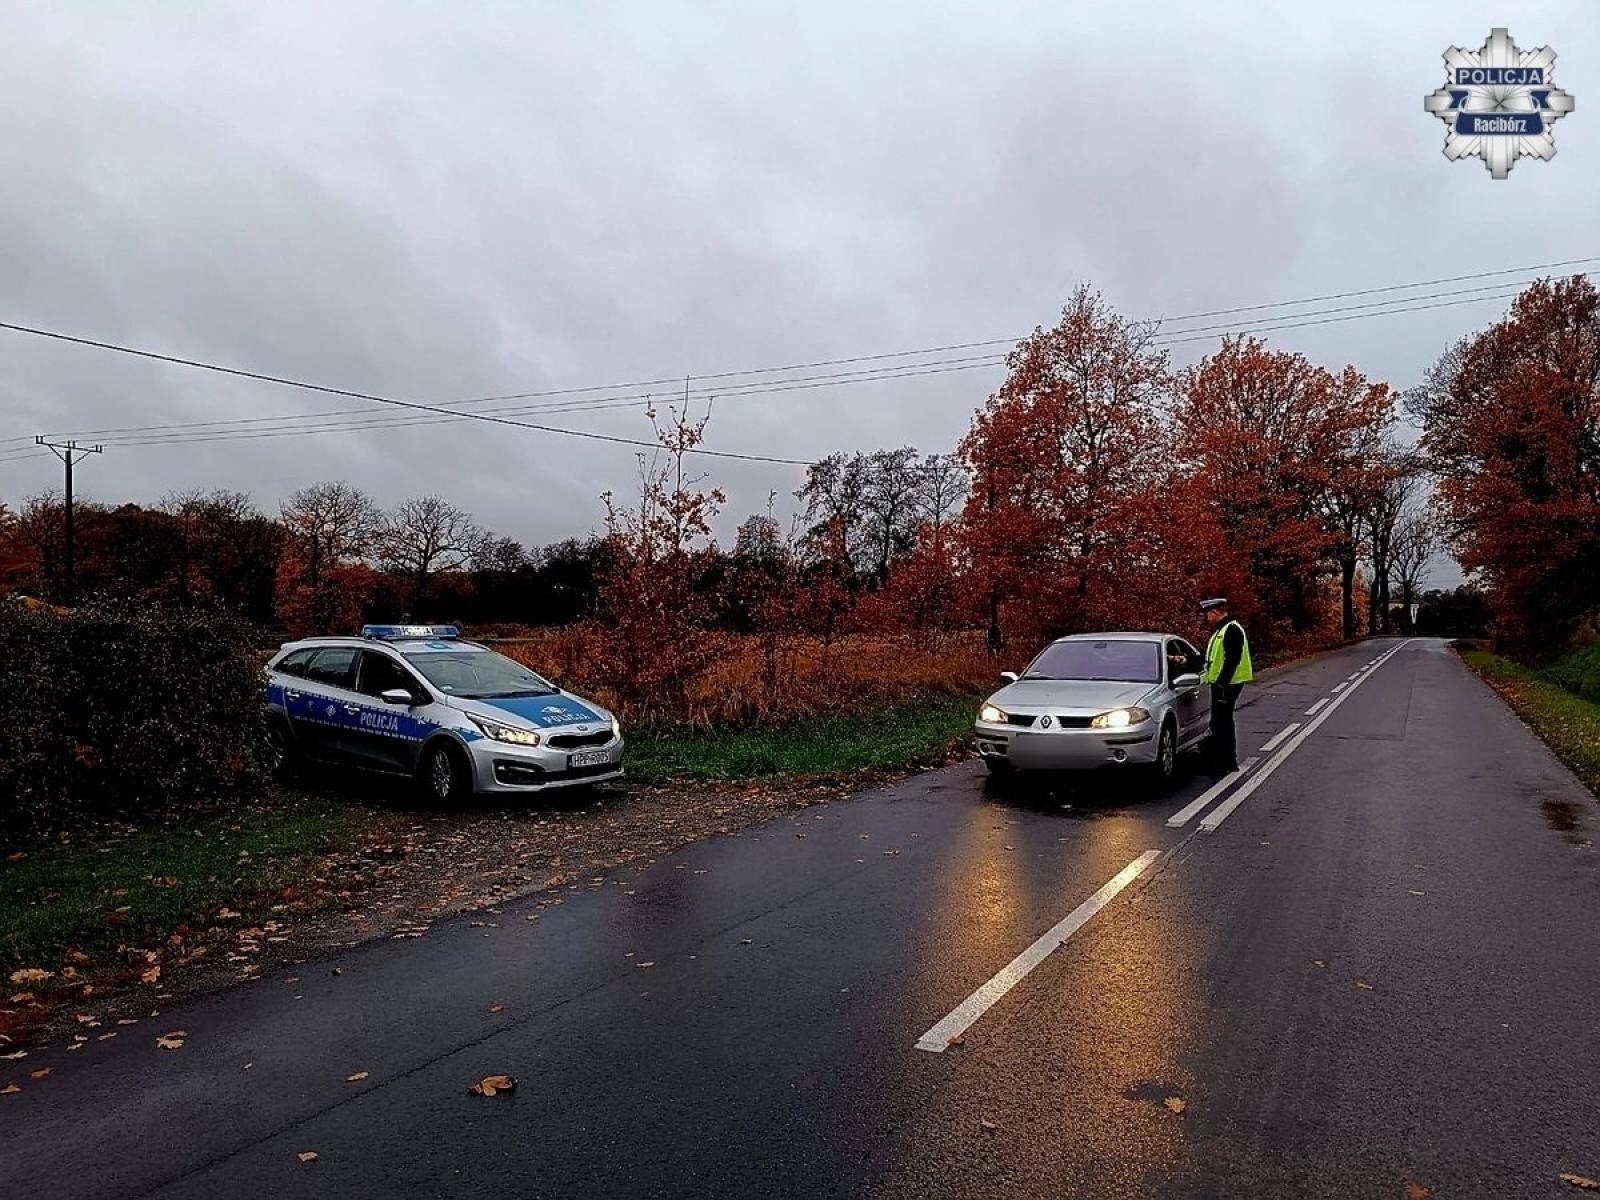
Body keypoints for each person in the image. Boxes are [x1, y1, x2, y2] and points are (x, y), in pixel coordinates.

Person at [1199, 597, 1252, 777]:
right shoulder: (1220, 631)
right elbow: (1211, 660)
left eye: (1208, 614)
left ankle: (1227, 761)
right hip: (1223, 684)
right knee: (1220, 722)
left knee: (1222, 722)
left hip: (1228, 684)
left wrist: (1221, 683)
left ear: (1215, 613)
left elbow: (1232, 659)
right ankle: (1225, 761)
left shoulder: (1232, 629)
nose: (1207, 618)